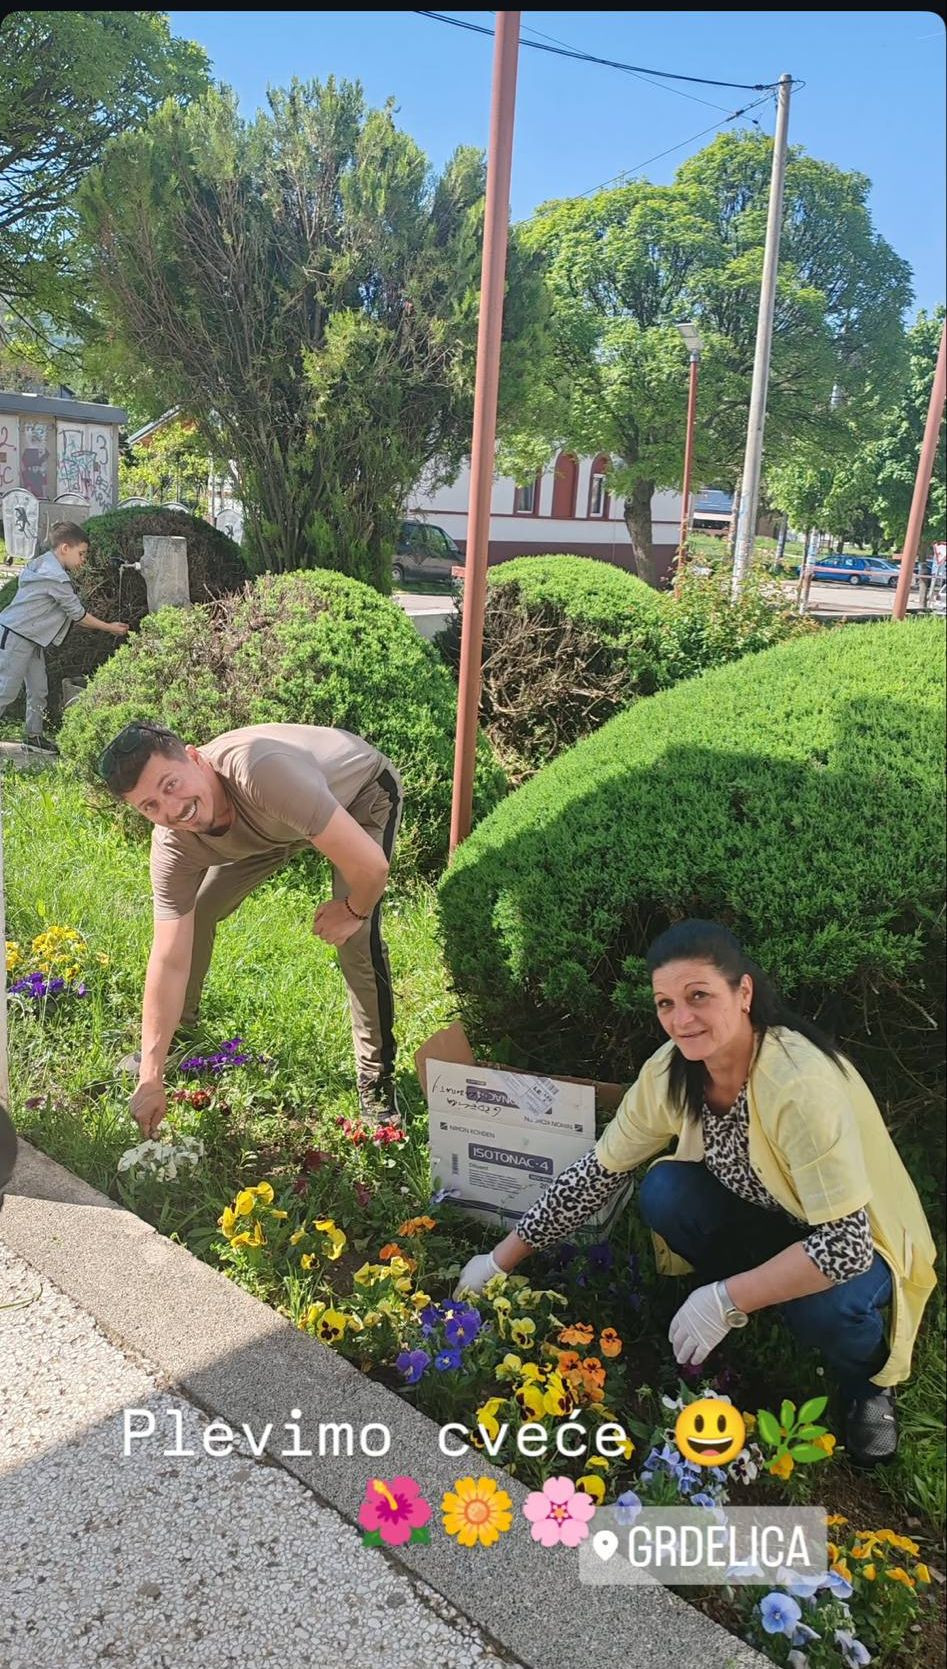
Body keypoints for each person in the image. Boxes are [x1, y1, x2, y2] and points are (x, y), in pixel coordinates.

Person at [455, 919, 936, 1468]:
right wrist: (498, 1261)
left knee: (830, 1306)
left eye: (699, 996)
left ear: (744, 992)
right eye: (666, 1004)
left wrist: (725, 1300)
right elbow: (598, 1172)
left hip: (860, 1240)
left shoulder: (798, 1084)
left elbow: (845, 1245)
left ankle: (867, 1384)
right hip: (773, 1218)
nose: (681, 1020)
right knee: (665, 1191)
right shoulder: (671, 1072)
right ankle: (748, 1292)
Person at [98, 720, 404, 1138]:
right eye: (150, 806)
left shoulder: (261, 773)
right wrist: (150, 1076)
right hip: (276, 823)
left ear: (194, 757)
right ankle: (178, 1037)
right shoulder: (173, 844)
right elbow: (168, 960)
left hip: (355, 794)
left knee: (357, 941)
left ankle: (376, 1077)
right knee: (199, 911)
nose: (172, 809)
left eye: (170, 785)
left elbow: (372, 867)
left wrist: (353, 909)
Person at [0, 521, 128, 751]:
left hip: (32, 639)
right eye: (81, 554)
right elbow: (79, 615)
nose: (83, 560)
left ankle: (33, 737)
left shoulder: (45, 564)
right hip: (17, 637)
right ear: (65, 548)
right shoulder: (54, 578)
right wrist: (110, 627)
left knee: (38, 690)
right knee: (5, 691)